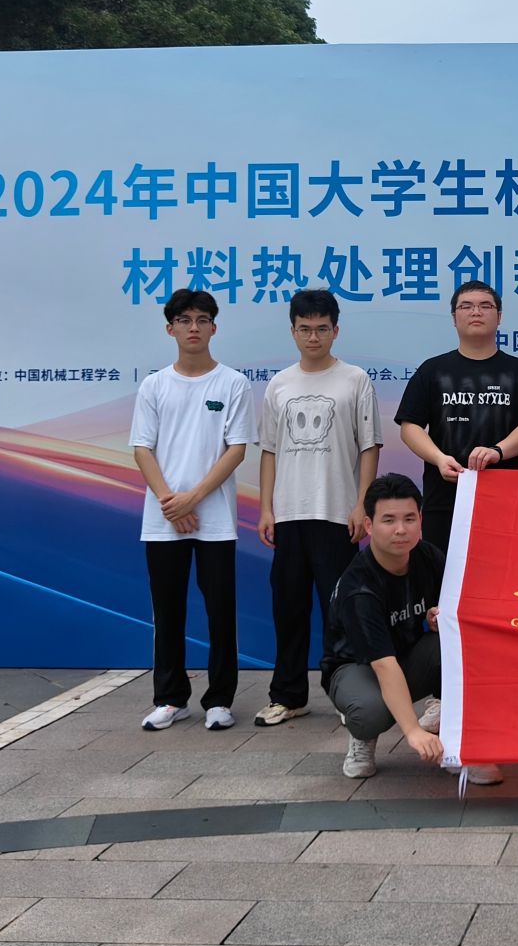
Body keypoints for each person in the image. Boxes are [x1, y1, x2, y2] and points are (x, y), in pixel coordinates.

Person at [129, 289, 257, 732]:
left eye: (202, 320)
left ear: (214, 327)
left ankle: (219, 700)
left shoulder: (232, 383)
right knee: (167, 611)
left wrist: (193, 498)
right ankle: (170, 698)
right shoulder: (155, 385)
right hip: (163, 519)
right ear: (171, 329)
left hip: (214, 520)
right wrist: (172, 502)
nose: (194, 328)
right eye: (184, 320)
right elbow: (142, 448)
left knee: (221, 612)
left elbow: (236, 449)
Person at [320, 474, 502, 785]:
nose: (401, 529)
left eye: (409, 518)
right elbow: (383, 665)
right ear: (369, 526)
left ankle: (457, 744)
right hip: (356, 667)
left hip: (406, 654)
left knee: (465, 644)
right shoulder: (359, 588)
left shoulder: (428, 557)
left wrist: (438, 616)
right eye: (388, 520)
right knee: (370, 711)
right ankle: (362, 736)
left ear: (420, 520)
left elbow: (458, 608)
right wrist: (413, 731)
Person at [254, 290, 382, 727]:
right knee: (288, 610)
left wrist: (362, 505)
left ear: (335, 330)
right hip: (289, 515)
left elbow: (369, 446)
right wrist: (266, 508)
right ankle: (288, 696)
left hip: (337, 515)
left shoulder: (355, 380)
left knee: (341, 613)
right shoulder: (280, 384)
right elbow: (269, 451)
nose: (313, 336)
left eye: (322, 328)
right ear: (293, 331)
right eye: (305, 329)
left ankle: (349, 698)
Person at [396, 281, 518, 553]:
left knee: (502, 568)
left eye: (485, 306)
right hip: (444, 497)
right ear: (454, 318)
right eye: (466, 306)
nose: (476, 312)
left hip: (504, 496)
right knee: (442, 571)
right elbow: (410, 427)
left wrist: (498, 451)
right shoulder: (432, 370)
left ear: (499, 317)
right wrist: (439, 458)